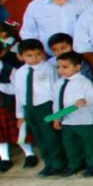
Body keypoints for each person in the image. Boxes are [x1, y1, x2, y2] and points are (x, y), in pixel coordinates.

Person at [14, 39, 61, 175]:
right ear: (21, 56)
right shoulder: (20, 72)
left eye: (38, 54)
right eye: (29, 55)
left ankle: (58, 164)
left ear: (43, 54)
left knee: (51, 137)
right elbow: (19, 93)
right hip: (29, 108)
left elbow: (55, 90)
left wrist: (57, 112)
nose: (34, 58)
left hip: (46, 106)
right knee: (39, 138)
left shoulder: (49, 69)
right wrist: (20, 114)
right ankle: (48, 164)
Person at [52, 51, 93, 177]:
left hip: (84, 120)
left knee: (89, 143)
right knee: (70, 144)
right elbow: (56, 101)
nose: (61, 70)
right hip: (67, 120)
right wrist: (56, 116)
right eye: (58, 67)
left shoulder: (84, 82)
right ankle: (75, 164)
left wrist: (85, 100)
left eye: (65, 67)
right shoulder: (58, 84)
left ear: (77, 67)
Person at [0, 39, 21, 173]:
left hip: (8, 106)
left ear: (2, 52)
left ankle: (29, 154)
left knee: (19, 132)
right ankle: (5, 159)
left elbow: (16, 89)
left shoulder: (10, 69)